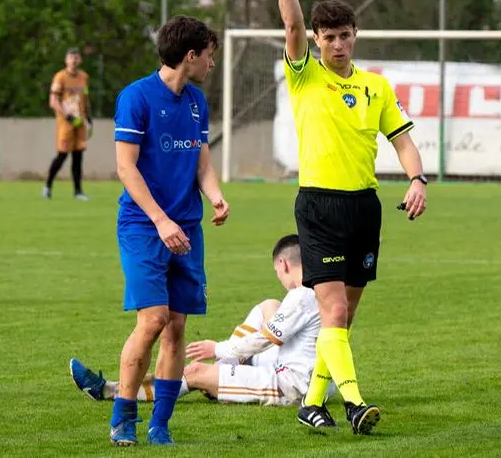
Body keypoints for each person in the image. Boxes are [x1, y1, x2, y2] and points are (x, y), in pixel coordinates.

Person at [261, 0, 428, 435]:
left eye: (344, 35)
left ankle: (313, 403)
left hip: (365, 208)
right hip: (319, 206)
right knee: (331, 307)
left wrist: (417, 178)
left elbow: (402, 141)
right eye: (327, 36)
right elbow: (289, 19)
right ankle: (354, 403)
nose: (337, 44)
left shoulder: (375, 85)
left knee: (343, 318)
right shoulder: (304, 76)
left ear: (356, 34)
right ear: (315, 40)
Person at [106, 15, 229, 446]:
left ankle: (160, 424)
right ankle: (123, 417)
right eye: (210, 55)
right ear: (190, 56)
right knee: (153, 319)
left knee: (177, 327)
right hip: (144, 225)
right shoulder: (136, 97)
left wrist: (214, 195)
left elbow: (201, 163)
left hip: (188, 230)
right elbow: (125, 168)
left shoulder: (196, 102)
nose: (212, 64)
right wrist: (161, 220)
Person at [69, 234, 331, 408]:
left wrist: (217, 348)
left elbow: (267, 339)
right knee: (268, 305)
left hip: (293, 387)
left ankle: (111, 391)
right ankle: (221, 371)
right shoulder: (320, 287)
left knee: (194, 371)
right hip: (295, 367)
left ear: (283, 264)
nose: (279, 278)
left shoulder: (301, 296)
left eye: (277, 272)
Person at [43, 47, 92, 200]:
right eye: (71, 57)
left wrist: (89, 117)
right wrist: (67, 116)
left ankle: (78, 191)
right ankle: (48, 186)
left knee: (78, 156)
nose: (74, 60)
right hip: (66, 122)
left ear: (80, 60)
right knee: (62, 155)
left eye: (76, 57)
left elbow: (85, 98)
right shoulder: (60, 77)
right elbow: (53, 101)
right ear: (66, 60)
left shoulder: (84, 77)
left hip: (80, 121)